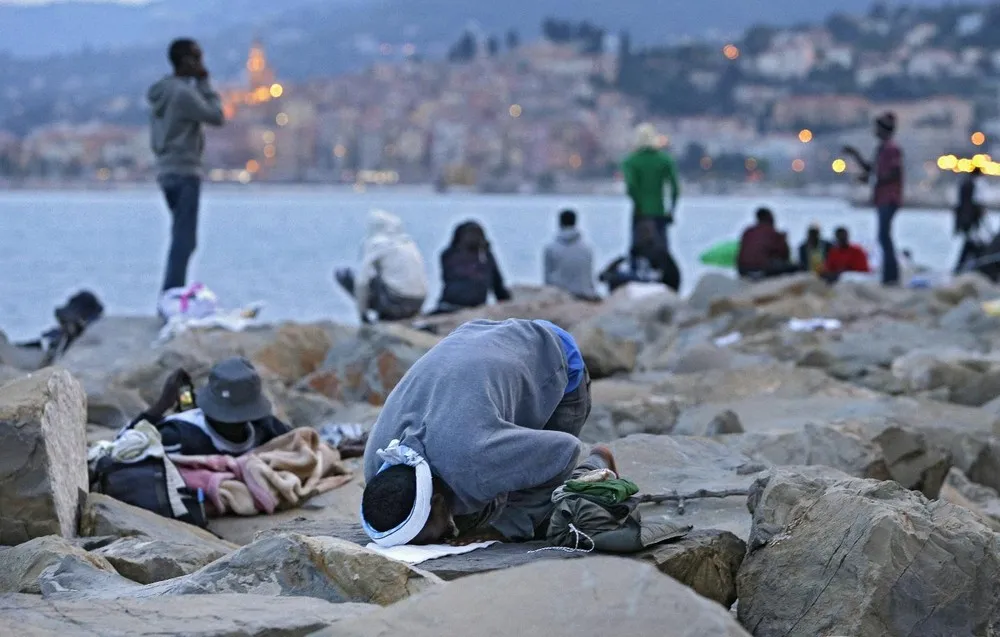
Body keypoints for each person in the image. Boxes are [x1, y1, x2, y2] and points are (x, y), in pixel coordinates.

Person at [360, 319, 617, 547]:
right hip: (482, 340)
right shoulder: (377, 463)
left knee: (547, 517)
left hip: (551, 355)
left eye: (425, 541)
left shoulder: (473, 458)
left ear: (437, 502)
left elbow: (565, 449)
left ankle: (598, 462)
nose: (428, 545)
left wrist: (504, 529)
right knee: (476, 512)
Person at [148, 38, 225, 299]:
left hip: (165, 171)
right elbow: (216, 116)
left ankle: (171, 293)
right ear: (187, 61)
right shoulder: (183, 94)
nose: (202, 63)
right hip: (184, 171)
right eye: (198, 58)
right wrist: (204, 83)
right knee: (185, 240)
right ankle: (170, 296)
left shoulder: (162, 92)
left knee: (180, 236)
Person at [136, 357, 291, 456]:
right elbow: (128, 449)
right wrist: (162, 406)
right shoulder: (178, 435)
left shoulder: (266, 427)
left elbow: (298, 441)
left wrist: (162, 405)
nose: (234, 423)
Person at [335, 209, 428, 323]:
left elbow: (362, 282)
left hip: (396, 304)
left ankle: (383, 316)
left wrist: (363, 316)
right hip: (418, 303)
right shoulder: (407, 242)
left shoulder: (377, 243)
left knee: (344, 274)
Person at [843, 112, 903, 285]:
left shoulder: (892, 149)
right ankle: (889, 275)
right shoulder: (882, 149)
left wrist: (876, 180)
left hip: (889, 198)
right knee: (883, 236)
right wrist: (855, 155)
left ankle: (891, 276)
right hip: (882, 198)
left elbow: (893, 172)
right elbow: (871, 170)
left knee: (884, 236)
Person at [623, 123, 680, 252]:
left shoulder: (631, 161)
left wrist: (638, 204)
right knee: (662, 253)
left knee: (638, 252)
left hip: (640, 214)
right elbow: (675, 188)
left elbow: (631, 186)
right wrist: (671, 210)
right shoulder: (665, 160)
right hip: (660, 212)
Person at [432, 221, 511, 314]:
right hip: (450, 305)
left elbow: (497, 285)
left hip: (472, 306)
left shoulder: (485, 256)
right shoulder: (449, 255)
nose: (473, 238)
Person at [543, 209, 598, 301]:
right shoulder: (587, 249)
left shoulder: (551, 249)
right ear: (575, 223)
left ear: (560, 223)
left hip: (560, 295)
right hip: (585, 294)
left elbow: (547, 280)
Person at [736, 208, 797, 279]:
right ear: (770, 218)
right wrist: (784, 240)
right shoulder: (773, 233)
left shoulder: (748, 231)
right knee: (796, 267)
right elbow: (785, 256)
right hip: (763, 269)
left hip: (743, 270)